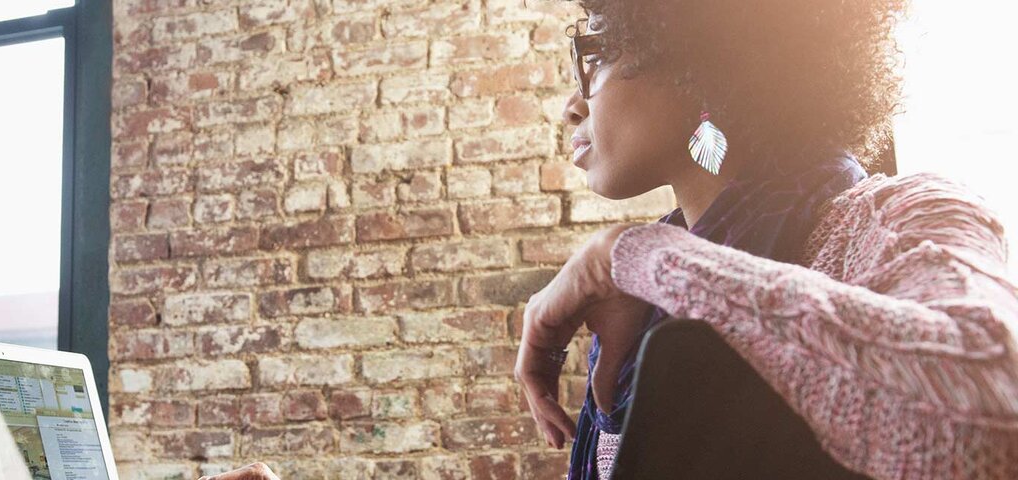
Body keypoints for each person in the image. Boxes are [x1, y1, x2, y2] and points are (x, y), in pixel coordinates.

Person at [205, 0, 1018, 478]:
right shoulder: (640, 317)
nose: (568, 104)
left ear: (701, 55)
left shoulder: (903, 217)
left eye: (593, 54)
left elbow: (988, 418)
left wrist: (627, 254)